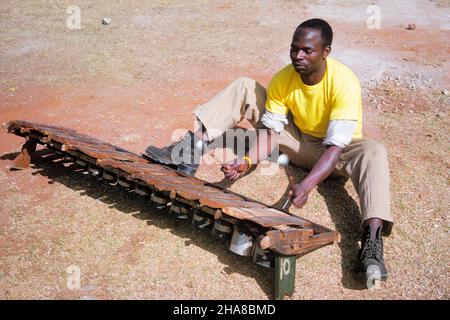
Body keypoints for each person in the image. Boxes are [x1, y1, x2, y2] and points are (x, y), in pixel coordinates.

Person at [144, 18, 393, 287]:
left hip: (334, 157)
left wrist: (306, 185)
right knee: (244, 86)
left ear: (325, 52)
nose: (298, 56)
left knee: (374, 151)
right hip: (297, 142)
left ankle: (371, 242)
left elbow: (335, 147)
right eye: (294, 48)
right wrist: (247, 161)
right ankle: (190, 150)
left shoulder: (344, 82)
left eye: (307, 50)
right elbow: (271, 133)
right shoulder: (284, 78)